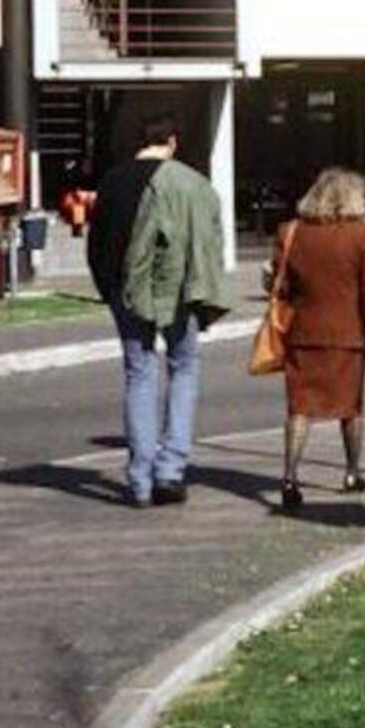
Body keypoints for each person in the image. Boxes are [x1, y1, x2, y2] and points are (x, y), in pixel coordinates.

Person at [88, 113, 232, 509]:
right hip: (182, 290)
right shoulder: (193, 183)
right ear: (172, 142)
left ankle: (139, 480)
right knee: (184, 368)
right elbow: (211, 241)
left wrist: (110, 289)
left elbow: (97, 242)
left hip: (126, 292)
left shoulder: (114, 181)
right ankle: (171, 468)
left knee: (139, 373)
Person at [272, 167, 365, 511]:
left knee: (300, 406)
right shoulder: (361, 236)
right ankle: (352, 472)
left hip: (303, 334)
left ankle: (289, 476)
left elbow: (280, 286)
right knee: (350, 406)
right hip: (347, 334)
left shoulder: (292, 232)